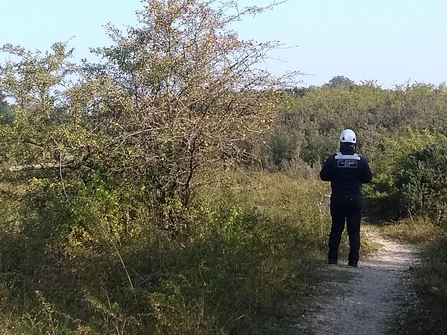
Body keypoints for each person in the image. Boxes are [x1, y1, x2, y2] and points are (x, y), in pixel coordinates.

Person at [319, 129, 373, 267]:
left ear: (341, 143)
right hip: (355, 199)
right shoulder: (361, 160)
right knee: (354, 231)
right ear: (354, 144)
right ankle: (353, 260)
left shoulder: (333, 159)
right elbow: (368, 179)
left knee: (336, 229)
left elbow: (324, 176)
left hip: (338, 199)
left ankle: (332, 258)